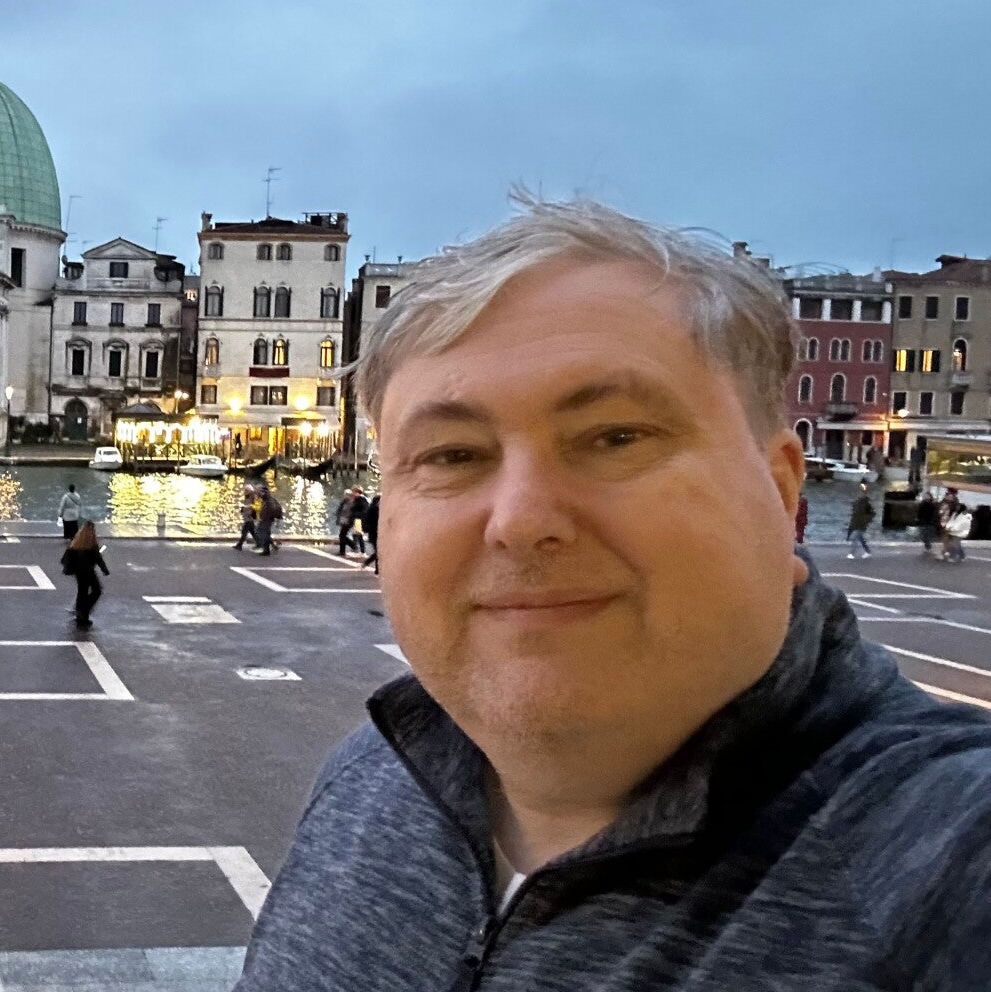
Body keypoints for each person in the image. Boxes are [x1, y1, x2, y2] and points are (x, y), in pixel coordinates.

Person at [235, 196, 991, 990]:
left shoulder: (946, 858)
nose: (521, 520)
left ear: (779, 492)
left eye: (616, 437)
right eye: (452, 455)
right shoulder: (367, 777)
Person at [59, 520, 110, 634]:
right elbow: (98, 559)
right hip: (88, 571)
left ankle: (80, 614)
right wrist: (105, 570)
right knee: (96, 590)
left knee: (82, 592)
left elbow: (63, 560)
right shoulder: (91, 543)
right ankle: (84, 611)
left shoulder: (76, 542)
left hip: (78, 572)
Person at [334, 488, 368, 557]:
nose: (346, 495)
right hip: (350, 520)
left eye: (353, 492)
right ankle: (346, 549)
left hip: (354, 520)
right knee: (344, 535)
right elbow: (341, 510)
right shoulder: (348, 501)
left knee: (356, 535)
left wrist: (353, 517)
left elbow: (360, 510)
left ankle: (356, 548)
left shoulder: (358, 500)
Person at [846, 483, 874, 559]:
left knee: (855, 538)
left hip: (862, 524)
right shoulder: (857, 504)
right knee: (861, 538)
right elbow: (855, 515)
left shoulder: (865, 504)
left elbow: (872, 514)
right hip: (858, 523)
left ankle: (852, 553)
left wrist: (865, 520)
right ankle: (868, 552)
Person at [254, 488, 284, 556]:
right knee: (264, 532)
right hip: (265, 519)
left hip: (267, 520)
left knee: (264, 533)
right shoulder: (267, 500)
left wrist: (267, 517)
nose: (260, 494)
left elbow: (270, 510)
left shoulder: (269, 501)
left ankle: (266, 550)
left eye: (261, 493)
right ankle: (270, 546)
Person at [942, 499, 972, 563]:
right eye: (957, 506)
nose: (957, 507)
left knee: (955, 544)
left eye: (958, 506)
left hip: (960, 531)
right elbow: (952, 521)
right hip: (953, 531)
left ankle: (953, 557)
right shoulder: (955, 513)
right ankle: (962, 556)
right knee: (956, 544)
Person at [358, 492, 380, 573]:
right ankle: (373, 567)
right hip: (376, 533)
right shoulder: (376, 510)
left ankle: (375, 568)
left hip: (373, 533)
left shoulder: (371, 509)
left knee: (378, 552)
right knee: (379, 552)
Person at [231, 486, 259, 550]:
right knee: (253, 532)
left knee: (244, 531)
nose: (245, 491)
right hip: (247, 516)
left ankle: (239, 545)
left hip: (249, 516)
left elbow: (254, 506)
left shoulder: (252, 497)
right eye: (245, 490)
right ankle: (260, 543)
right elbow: (246, 504)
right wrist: (243, 509)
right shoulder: (247, 496)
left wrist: (249, 511)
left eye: (246, 490)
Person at [917, 488, 942, 556]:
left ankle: (928, 548)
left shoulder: (933, 504)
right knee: (924, 535)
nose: (926, 497)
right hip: (923, 521)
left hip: (930, 522)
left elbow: (935, 513)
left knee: (927, 535)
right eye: (925, 496)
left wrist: (934, 521)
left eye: (927, 496)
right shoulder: (922, 504)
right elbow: (919, 512)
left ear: (930, 497)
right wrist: (918, 519)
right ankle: (928, 547)